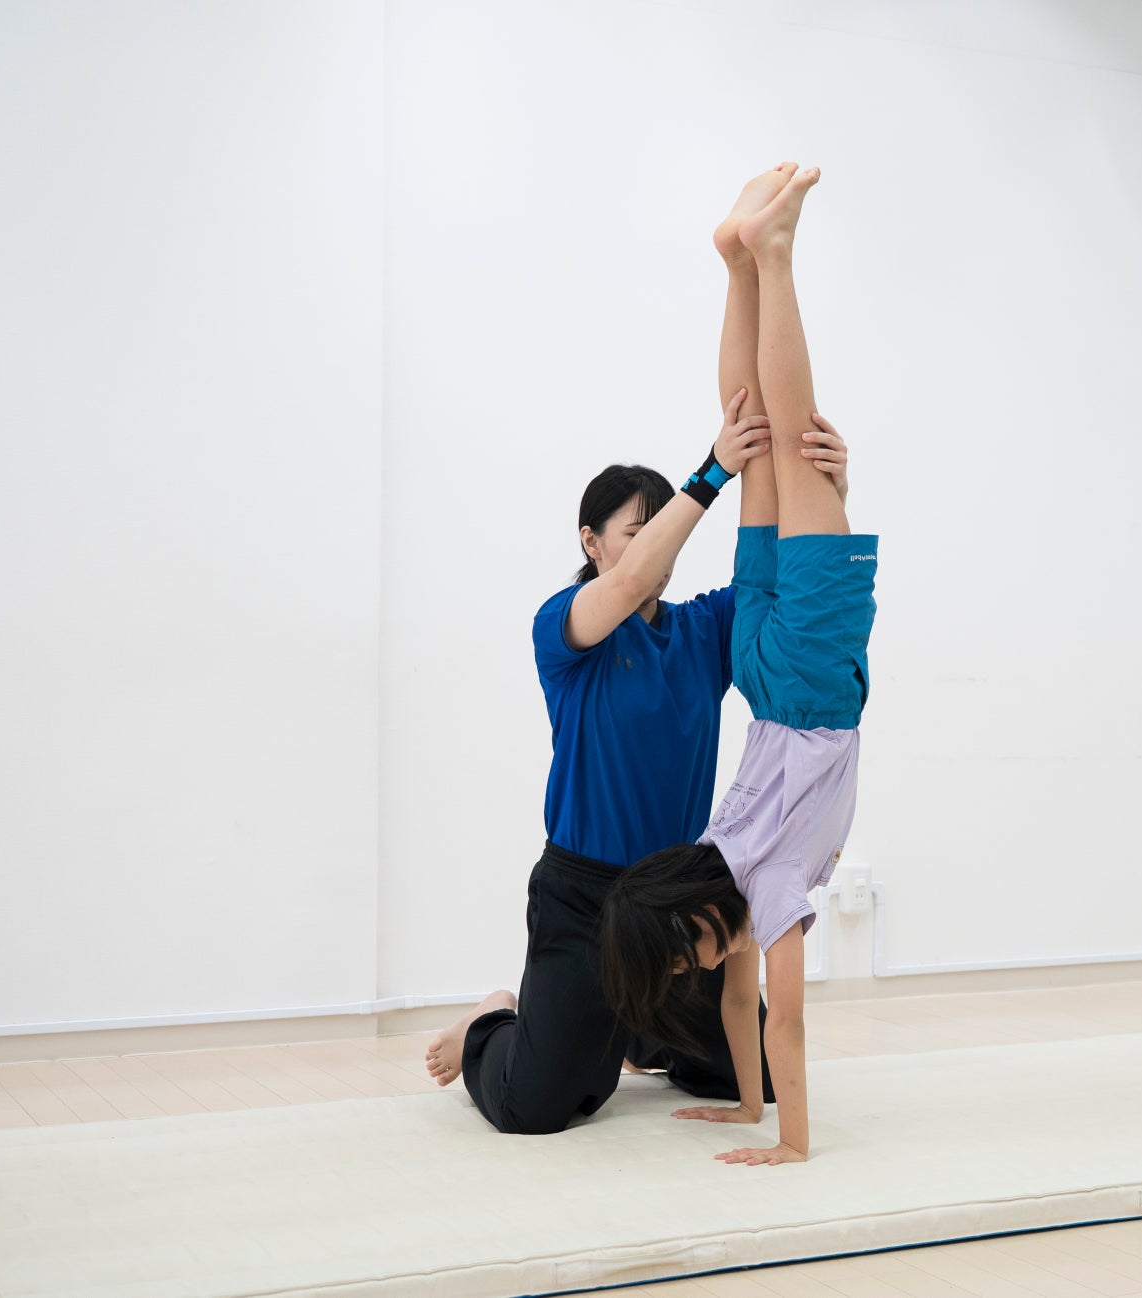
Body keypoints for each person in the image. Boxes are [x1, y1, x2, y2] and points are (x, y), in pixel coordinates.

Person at [421, 163, 853, 1136]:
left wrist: (825, 482)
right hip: (582, 897)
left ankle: (640, 1033)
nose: (652, 546)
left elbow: (784, 549)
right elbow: (624, 589)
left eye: (659, 529)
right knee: (541, 1104)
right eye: (634, 530)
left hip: (674, 896)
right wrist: (710, 473)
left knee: (740, 1073)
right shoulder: (568, 630)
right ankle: (494, 1020)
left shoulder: (698, 630)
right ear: (591, 542)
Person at [599, 163, 876, 1167]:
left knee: (788, 447)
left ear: (699, 922)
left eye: (686, 956)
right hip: (762, 672)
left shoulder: (767, 889)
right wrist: (743, 1107)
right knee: (758, 444)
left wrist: (788, 1141)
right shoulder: (723, 855)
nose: (700, 971)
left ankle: (774, 255)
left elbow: (783, 1021)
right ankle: (737, 263)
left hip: (808, 677)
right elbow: (737, 1004)